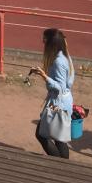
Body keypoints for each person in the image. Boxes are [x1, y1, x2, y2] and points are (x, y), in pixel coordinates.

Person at [31, 28, 74, 159]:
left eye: (45, 39)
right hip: (64, 102)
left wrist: (44, 76)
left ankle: (59, 164)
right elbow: (69, 82)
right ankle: (63, 164)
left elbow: (60, 87)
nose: (42, 42)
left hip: (58, 103)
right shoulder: (65, 56)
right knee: (59, 137)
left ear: (52, 42)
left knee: (41, 134)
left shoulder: (58, 61)